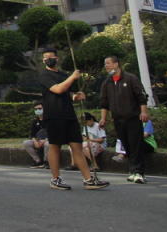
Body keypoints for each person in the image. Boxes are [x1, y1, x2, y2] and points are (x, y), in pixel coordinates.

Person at [37, 48, 108, 191]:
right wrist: (72, 78)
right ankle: (55, 179)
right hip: (54, 115)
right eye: (45, 58)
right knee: (55, 146)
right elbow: (57, 89)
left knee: (77, 146)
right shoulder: (44, 75)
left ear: (57, 58)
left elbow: (70, 94)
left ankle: (88, 179)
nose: (48, 59)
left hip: (69, 115)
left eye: (50, 57)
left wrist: (77, 96)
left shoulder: (64, 74)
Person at [99, 54, 150, 184]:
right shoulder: (107, 82)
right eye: (105, 64)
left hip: (132, 117)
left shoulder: (131, 78)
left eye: (108, 63)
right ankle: (132, 170)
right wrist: (103, 119)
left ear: (116, 64)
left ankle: (139, 172)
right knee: (126, 144)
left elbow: (141, 97)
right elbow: (104, 103)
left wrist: (143, 112)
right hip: (118, 119)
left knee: (135, 144)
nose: (106, 66)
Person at [22, 103, 49, 169]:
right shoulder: (34, 121)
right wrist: (35, 141)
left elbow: (53, 133)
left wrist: (44, 140)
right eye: (36, 109)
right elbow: (32, 134)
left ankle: (46, 162)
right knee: (26, 143)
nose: (37, 110)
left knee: (48, 144)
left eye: (39, 108)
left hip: (47, 140)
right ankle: (38, 161)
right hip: (38, 140)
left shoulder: (50, 120)